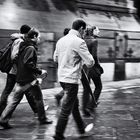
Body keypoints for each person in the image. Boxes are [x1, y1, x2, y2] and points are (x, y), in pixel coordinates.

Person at [0, 28, 52, 129]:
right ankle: (42, 118)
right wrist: (40, 71)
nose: (39, 39)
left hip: (21, 77)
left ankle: (3, 120)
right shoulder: (30, 48)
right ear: (35, 37)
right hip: (29, 79)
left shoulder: (23, 46)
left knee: (15, 100)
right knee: (38, 98)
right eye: (39, 37)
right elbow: (28, 63)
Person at [53, 19, 95, 140]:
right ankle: (58, 134)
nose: (84, 33)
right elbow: (90, 62)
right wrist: (81, 60)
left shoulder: (61, 40)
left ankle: (81, 129)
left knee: (74, 105)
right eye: (84, 31)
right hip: (71, 79)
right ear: (81, 29)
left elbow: (55, 59)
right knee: (66, 109)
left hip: (61, 78)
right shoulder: (79, 42)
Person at [0, 25, 38, 117]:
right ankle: (2, 113)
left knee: (25, 91)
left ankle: (37, 111)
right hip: (15, 71)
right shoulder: (19, 41)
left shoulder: (18, 40)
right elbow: (14, 56)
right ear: (26, 33)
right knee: (11, 92)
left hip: (15, 71)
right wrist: (20, 62)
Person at [82, 26, 103, 113]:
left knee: (86, 88)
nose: (99, 31)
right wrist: (99, 67)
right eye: (97, 30)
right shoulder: (94, 41)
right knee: (99, 86)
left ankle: (84, 107)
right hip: (92, 67)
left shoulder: (82, 40)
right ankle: (91, 105)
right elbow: (94, 56)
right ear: (93, 31)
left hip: (84, 67)